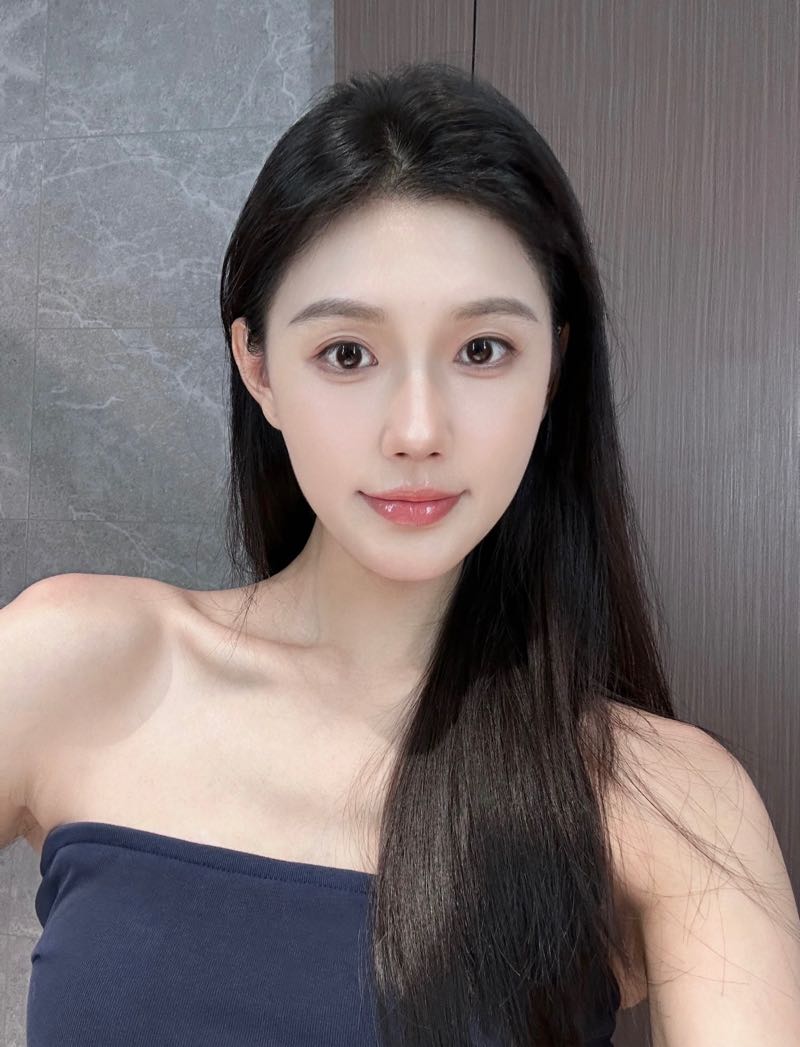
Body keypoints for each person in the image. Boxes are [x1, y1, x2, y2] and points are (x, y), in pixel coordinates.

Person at [4, 60, 799, 1047]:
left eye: (481, 351)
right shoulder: (75, 663)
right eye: (346, 354)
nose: (417, 430)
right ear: (258, 367)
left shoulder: (667, 801)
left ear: (554, 365)